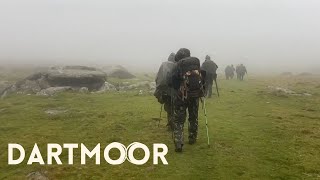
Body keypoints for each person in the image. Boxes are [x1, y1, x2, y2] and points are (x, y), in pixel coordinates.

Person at [170, 48, 205, 152]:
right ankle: (192, 138)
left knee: (179, 120)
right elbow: (202, 76)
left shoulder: (178, 65)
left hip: (181, 97)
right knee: (193, 117)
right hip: (195, 95)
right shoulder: (196, 63)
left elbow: (173, 81)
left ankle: (178, 143)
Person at [154, 53, 176, 130]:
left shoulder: (163, 65)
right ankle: (172, 123)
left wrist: (159, 88)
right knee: (174, 107)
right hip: (174, 91)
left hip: (165, 90)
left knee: (168, 106)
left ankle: (170, 123)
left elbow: (158, 77)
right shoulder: (176, 65)